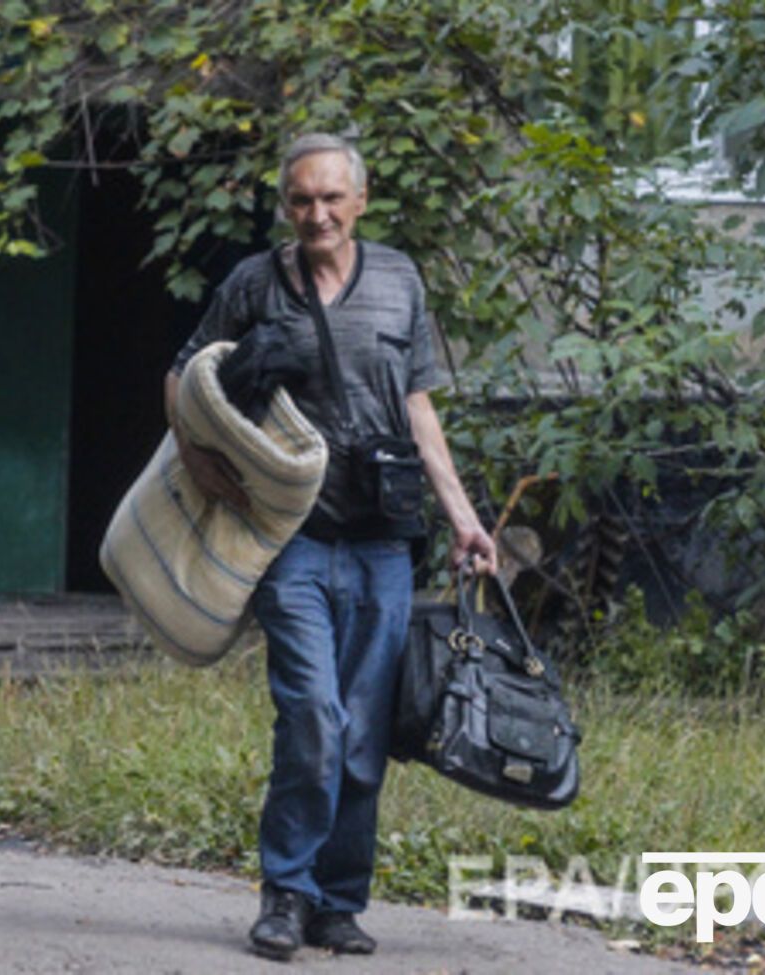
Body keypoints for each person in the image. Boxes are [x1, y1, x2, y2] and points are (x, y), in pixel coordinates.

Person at [164, 134, 498, 960]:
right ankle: (286, 893)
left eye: (332, 198)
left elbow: (419, 409)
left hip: (386, 542)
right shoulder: (256, 283)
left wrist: (463, 516)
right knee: (312, 713)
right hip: (294, 537)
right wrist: (199, 459)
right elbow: (183, 375)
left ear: (361, 199)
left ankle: (339, 902)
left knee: (361, 732)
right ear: (287, 204)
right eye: (302, 199)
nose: (318, 213)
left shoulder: (399, 281)